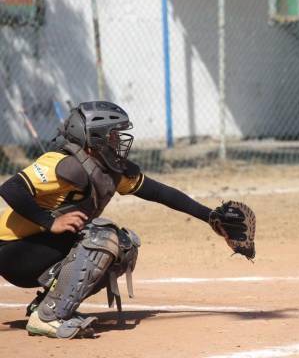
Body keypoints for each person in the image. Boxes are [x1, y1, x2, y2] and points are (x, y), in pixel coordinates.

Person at [0, 101, 254, 339]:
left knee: (124, 246)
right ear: (93, 139)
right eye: (111, 135)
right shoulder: (62, 163)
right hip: (12, 251)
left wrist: (210, 217)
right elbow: (11, 189)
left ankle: (48, 303)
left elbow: (159, 193)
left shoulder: (108, 169)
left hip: (39, 249)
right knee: (102, 237)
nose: (118, 141)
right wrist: (50, 222)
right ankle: (47, 318)